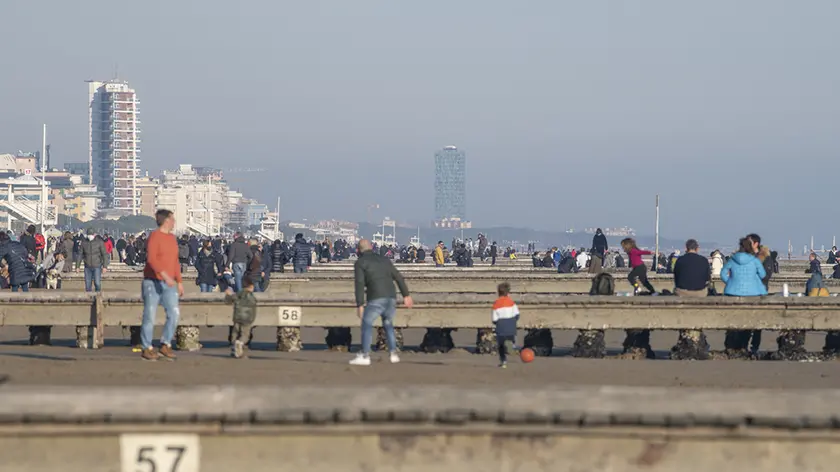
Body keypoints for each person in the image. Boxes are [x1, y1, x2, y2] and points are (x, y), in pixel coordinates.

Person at [349, 239, 413, 366]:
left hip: (376, 297)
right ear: (371, 247)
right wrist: (406, 295)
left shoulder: (360, 263)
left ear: (358, 250)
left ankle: (365, 355)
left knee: (367, 324)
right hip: (391, 296)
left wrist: (360, 304)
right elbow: (398, 277)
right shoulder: (384, 260)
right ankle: (393, 353)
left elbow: (360, 284)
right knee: (388, 324)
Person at [140, 209, 183, 361]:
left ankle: (165, 343)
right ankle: (147, 347)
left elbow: (175, 261)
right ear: (166, 221)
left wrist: (179, 281)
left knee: (174, 313)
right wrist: (164, 275)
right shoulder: (155, 236)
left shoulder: (172, 238)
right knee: (149, 315)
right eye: (172, 219)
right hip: (152, 281)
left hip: (170, 283)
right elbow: (152, 259)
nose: (174, 222)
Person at [225, 276, 257, 358]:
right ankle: (240, 344)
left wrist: (228, 295)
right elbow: (253, 305)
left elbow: (228, 301)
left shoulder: (238, 294)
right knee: (245, 334)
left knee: (235, 333)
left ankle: (234, 348)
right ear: (251, 287)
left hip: (237, 317)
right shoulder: (251, 296)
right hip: (247, 318)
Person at [492, 282, 520, 368]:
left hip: (501, 329)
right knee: (511, 337)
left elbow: (494, 319)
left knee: (500, 346)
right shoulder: (511, 302)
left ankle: (503, 361)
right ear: (508, 293)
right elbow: (517, 315)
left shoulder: (496, 304)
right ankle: (513, 345)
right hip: (511, 328)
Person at [80, 228, 108, 292]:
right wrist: (77, 266)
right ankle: (89, 298)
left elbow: (104, 255)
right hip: (87, 266)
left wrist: (105, 266)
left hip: (97, 266)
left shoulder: (100, 242)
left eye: (91, 234)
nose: (90, 236)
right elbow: (80, 254)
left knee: (97, 283)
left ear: (94, 235)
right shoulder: (84, 243)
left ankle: (98, 295)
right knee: (88, 285)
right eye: (88, 234)